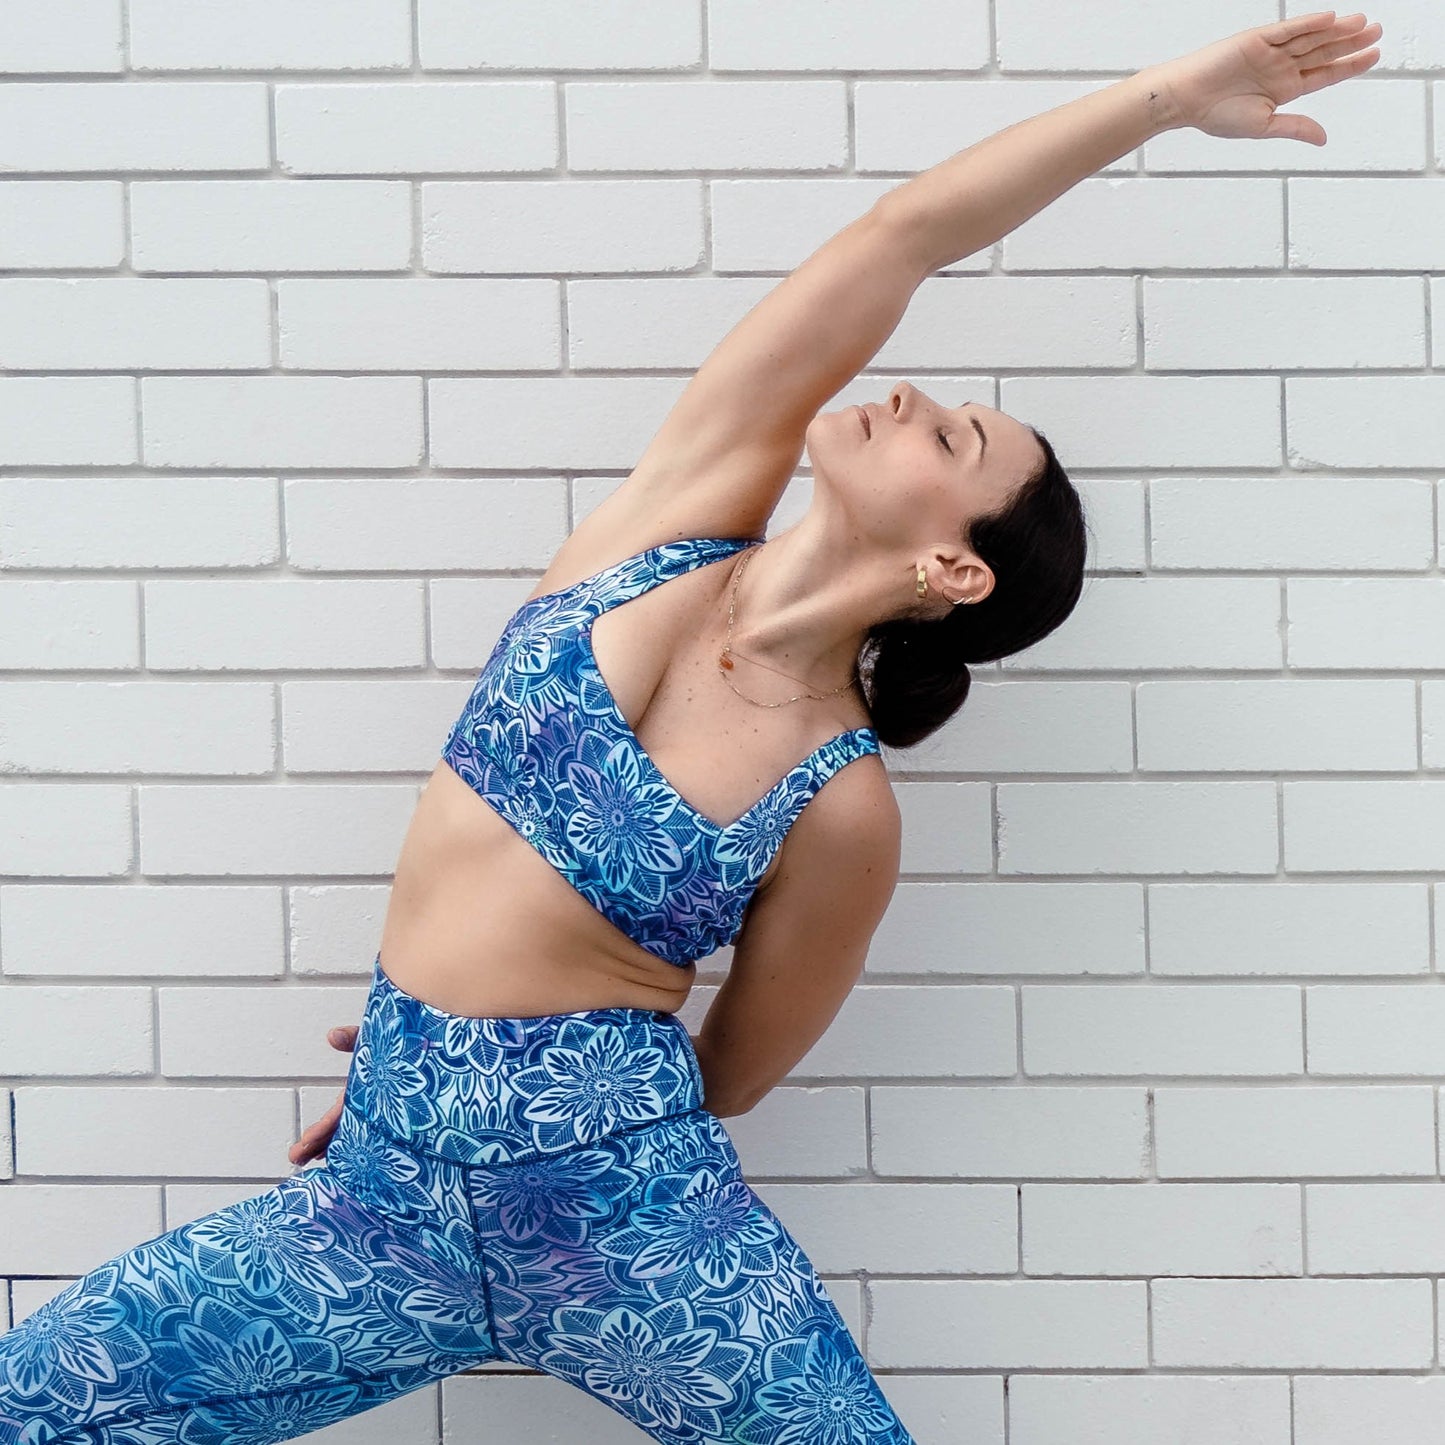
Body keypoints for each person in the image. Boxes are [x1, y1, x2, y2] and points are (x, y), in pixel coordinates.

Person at [0, 12, 1380, 1443]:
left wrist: (537, 1079)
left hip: (625, 1228)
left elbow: (727, 1070)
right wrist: (1165, 101)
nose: (911, 396)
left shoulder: (840, 803)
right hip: (382, 1206)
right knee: (40, 1397)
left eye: (952, 436)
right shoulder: (673, 519)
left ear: (953, 569)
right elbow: (902, 237)